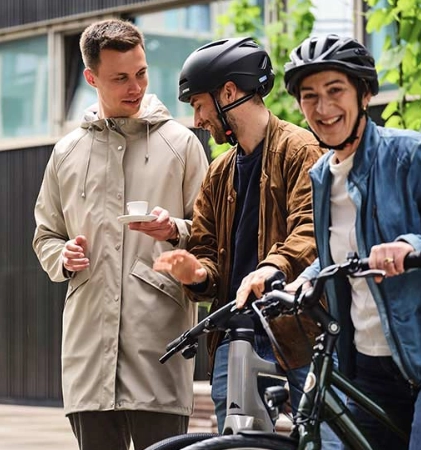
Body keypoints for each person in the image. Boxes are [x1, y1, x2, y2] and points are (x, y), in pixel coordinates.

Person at [283, 34, 421, 449]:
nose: (322, 108)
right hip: (372, 368)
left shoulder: (410, 154)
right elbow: (340, 257)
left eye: (335, 91)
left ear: (363, 94)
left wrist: (413, 248)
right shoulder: (322, 177)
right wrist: (300, 280)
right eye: (309, 96)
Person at [32, 19, 209, 450]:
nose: (135, 87)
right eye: (120, 78)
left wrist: (174, 230)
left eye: (141, 73)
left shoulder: (181, 145)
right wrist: (63, 257)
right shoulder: (66, 153)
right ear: (91, 78)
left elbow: (209, 235)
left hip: (158, 351)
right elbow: (46, 235)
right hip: (88, 358)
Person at [152, 38, 337, 447]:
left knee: (322, 440)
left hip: (298, 331)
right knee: (237, 445)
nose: (197, 118)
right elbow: (206, 254)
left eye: (199, 104)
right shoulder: (218, 173)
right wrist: (196, 272)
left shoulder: (300, 150)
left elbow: (312, 230)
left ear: (229, 93)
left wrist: (271, 268)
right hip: (235, 336)